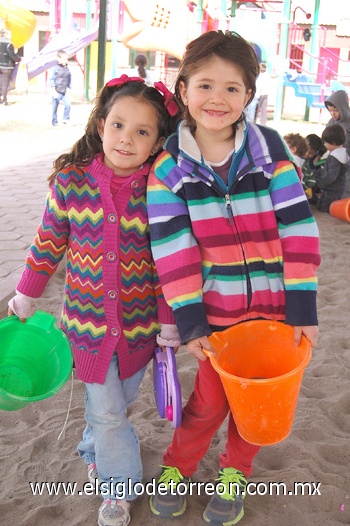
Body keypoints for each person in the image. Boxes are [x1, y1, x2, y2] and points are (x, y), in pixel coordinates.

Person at [147, 30, 320, 526]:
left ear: (249, 95)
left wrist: (303, 309)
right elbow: (173, 253)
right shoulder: (169, 171)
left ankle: (234, 474)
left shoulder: (269, 149)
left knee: (258, 403)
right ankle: (176, 468)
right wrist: (194, 324)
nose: (216, 99)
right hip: (218, 319)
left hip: (275, 312)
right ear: (183, 90)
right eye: (204, 85)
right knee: (206, 405)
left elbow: (299, 229)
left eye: (231, 88)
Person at [7, 75, 181, 526]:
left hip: (140, 329)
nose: (127, 138)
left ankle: (91, 448)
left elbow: (168, 261)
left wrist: (168, 320)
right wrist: (27, 292)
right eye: (119, 125)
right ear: (101, 125)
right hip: (85, 328)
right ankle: (118, 488)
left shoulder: (160, 191)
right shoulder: (70, 181)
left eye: (142, 132)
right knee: (106, 412)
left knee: (114, 408)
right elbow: (48, 243)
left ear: (157, 141)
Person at [309, 124, 349, 212]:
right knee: (320, 204)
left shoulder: (336, 157)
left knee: (326, 208)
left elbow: (331, 175)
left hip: (333, 189)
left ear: (333, 143)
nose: (324, 145)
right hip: (333, 188)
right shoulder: (340, 153)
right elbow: (327, 169)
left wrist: (319, 183)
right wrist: (316, 172)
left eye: (325, 142)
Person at [49, 49, 72, 126]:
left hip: (63, 92)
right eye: (64, 59)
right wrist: (53, 89)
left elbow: (69, 79)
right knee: (55, 108)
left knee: (68, 104)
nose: (66, 61)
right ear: (58, 59)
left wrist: (70, 88)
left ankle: (66, 119)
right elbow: (51, 79)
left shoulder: (67, 69)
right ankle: (54, 121)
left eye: (67, 59)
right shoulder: (55, 69)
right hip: (56, 91)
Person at [302, 134, 327, 202]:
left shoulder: (311, 160)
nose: (307, 154)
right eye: (306, 151)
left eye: (310, 153)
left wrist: (318, 156)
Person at [0, 28, 21, 105]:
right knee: (5, 84)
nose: (11, 36)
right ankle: (4, 100)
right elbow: (12, 56)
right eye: (10, 34)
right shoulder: (9, 44)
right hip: (7, 66)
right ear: (5, 34)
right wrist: (18, 59)